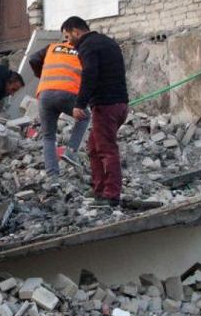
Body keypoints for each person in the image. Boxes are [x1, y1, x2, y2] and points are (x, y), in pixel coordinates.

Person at [61, 16, 129, 206]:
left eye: (68, 37)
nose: (68, 42)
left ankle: (112, 195)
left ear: (76, 31)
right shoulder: (108, 42)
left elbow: (90, 75)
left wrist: (79, 104)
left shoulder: (87, 46)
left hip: (105, 106)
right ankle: (99, 190)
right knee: (93, 147)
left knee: (106, 149)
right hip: (120, 105)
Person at [28, 39, 91, 178]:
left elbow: (33, 59)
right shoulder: (83, 50)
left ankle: (52, 176)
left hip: (45, 93)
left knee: (48, 136)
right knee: (85, 116)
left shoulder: (52, 47)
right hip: (68, 92)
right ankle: (71, 150)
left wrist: (41, 75)